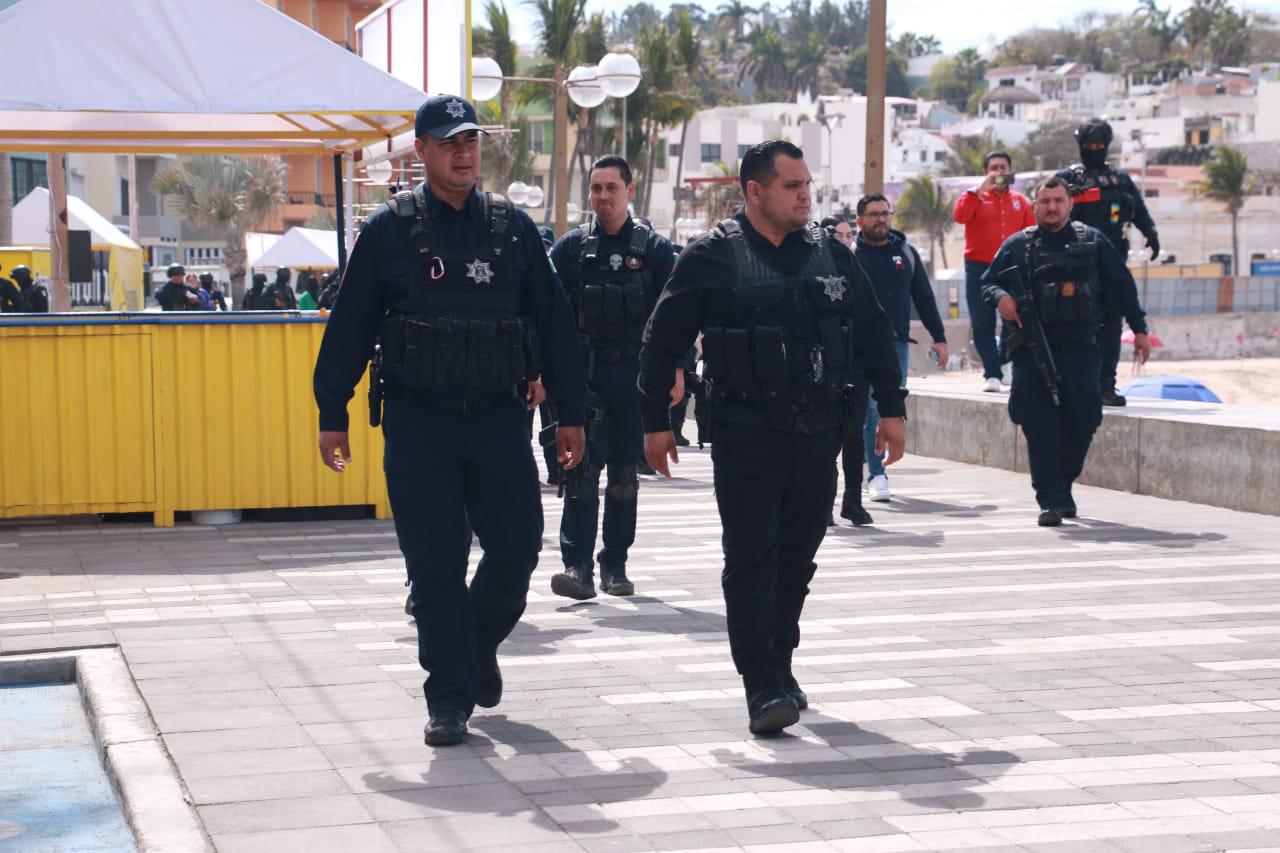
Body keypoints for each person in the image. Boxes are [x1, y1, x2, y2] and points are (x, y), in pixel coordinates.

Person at [313, 94, 586, 748]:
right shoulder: (387, 232)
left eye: (471, 141)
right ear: (423, 152)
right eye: (450, 142)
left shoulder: (514, 229)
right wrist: (333, 412)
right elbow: (349, 328)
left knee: (518, 546)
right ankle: (447, 697)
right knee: (435, 564)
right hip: (419, 424)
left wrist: (571, 414)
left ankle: (473, 642)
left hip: (498, 420)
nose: (464, 153)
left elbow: (555, 327)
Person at [639, 140, 907, 735]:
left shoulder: (832, 256)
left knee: (796, 561)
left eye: (808, 184)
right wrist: (655, 422)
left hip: (818, 435)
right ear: (754, 192)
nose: (805, 195)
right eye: (792, 186)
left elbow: (872, 332)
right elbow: (661, 341)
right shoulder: (712, 256)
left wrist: (893, 408)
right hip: (745, 436)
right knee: (752, 559)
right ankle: (761, 682)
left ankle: (781, 663)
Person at [545, 155, 678, 601]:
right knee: (580, 475)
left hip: (634, 381)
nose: (602, 197)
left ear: (630, 190)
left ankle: (615, 567)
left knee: (623, 478)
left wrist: (676, 370)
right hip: (584, 377)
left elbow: (675, 316)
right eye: (596, 188)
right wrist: (542, 373)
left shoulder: (656, 251)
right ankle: (577, 568)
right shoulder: (569, 249)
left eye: (611, 188)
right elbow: (546, 316)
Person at [982, 176, 1151, 526]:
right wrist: (1002, 298)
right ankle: (1050, 500)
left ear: (1069, 204)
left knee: (1086, 419)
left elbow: (1122, 286)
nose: (1052, 207)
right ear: (1035, 206)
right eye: (1045, 201)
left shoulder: (1093, 241)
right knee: (1039, 425)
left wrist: (1139, 329)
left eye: (1058, 201)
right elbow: (988, 282)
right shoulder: (1017, 245)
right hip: (1032, 349)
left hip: (1080, 350)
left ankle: (1064, 483)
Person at [845, 194, 947, 508]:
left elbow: (924, 299)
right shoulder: (848, 254)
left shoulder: (905, 253)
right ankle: (858, 472)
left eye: (885, 213)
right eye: (874, 214)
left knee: (882, 409)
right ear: (859, 220)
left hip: (895, 345)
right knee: (860, 412)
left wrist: (939, 338)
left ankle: (877, 474)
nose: (881, 219)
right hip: (854, 347)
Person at [1056, 119, 1159, 407]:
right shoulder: (1067, 179)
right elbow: (1043, 208)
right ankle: (1071, 383)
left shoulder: (1120, 180)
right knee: (1072, 323)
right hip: (1072, 262)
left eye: (1099, 146)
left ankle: (1105, 385)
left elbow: (1139, 211)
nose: (1094, 150)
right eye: (1088, 146)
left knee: (1111, 323)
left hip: (1111, 260)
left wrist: (1151, 234)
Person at [952, 150, 1035, 393]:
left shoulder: (1020, 201)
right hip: (978, 266)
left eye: (1003, 167)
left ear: (1011, 171)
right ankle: (992, 373)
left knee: (1013, 319)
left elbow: (1031, 232)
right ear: (986, 172)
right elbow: (960, 216)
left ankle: (1004, 362)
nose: (999, 172)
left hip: (1011, 267)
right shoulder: (973, 197)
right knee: (982, 323)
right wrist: (979, 189)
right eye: (994, 168)